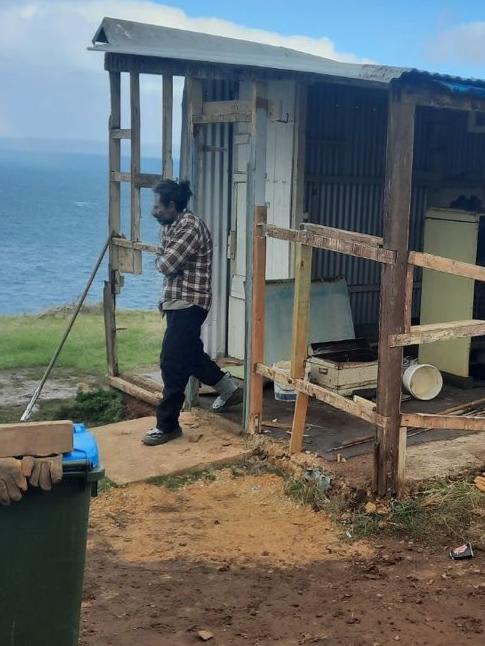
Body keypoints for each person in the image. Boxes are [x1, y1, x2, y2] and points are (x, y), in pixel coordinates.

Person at [143, 179, 243, 446]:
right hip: (176, 301)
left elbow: (165, 264)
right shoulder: (172, 225)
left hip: (190, 302)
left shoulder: (188, 227)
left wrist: (163, 259)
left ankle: (167, 425)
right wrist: (165, 259)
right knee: (188, 353)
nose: (154, 211)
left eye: (158, 207)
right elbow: (167, 262)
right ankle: (227, 387)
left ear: (172, 206)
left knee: (171, 361)